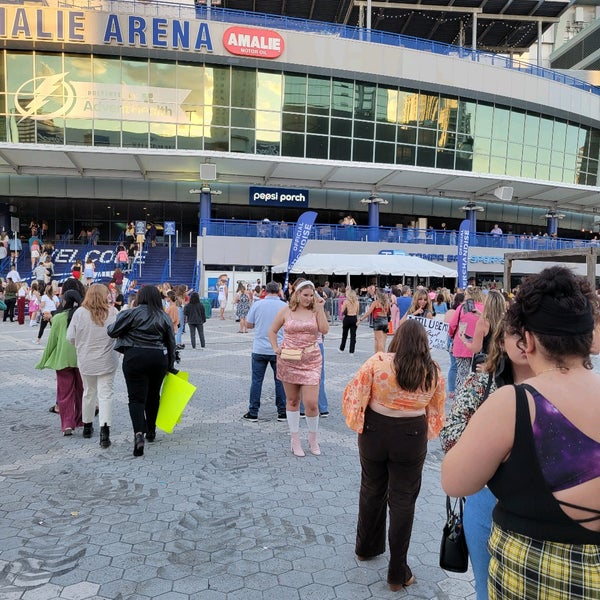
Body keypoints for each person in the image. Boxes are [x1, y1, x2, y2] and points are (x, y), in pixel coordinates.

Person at [442, 266, 600, 600]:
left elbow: (455, 481)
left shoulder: (514, 403)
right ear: (589, 336)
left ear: (526, 340)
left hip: (532, 572)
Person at [342, 319, 446, 592]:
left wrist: (359, 419)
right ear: (424, 343)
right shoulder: (432, 370)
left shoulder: (377, 362)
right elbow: (437, 408)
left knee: (371, 488)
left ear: (397, 338)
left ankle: (366, 547)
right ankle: (397, 573)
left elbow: (356, 392)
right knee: (403, 500)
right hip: (411, 435)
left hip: (375, 432)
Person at [440, 318, 534, 599]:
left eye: (528, 333)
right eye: (513, 333)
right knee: (487, 584)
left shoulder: (554, 388)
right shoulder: (483, 381)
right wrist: (494, 447)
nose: (522, 341)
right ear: (501, 341)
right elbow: (449, 433)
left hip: (537, 503)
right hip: (486, 497)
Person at [107, 285, 176, 457]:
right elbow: (171, 343)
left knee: (136, 398)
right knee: (153, 395)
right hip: (158, 358)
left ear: (140, 297)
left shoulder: (131, 313)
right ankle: (151, 430)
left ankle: (139, 434)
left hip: (134, 356)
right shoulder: (164, 316)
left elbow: (112, 331)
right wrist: (170, 364)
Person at [268, 279, 329, 457]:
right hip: (289, 359)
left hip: (311, 360)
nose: (308, 298)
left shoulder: (315, 310)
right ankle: (295, 439)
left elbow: (324, 330)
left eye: (311, 295)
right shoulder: (286, 310)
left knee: (311, 403)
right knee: (293, 401)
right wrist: (275, 348)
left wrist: (320, 309)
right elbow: (271, 330)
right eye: (305, 295)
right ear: (297, 294)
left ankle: (312, 438)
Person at [66, 283, 119, 449]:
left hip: (86, 360)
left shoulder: (80, 313)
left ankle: (87, 426)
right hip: (108, 359)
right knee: (106, 394)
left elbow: (71, 337)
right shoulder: (113, 312)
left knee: (88, 392)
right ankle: (105, 432)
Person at [35, 280, 86, 436]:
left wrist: (43, 361)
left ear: (64, 301)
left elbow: (52, 343)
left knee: (64, 394)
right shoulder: (84, 315)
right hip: (81, 359)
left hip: (62, 361)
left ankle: (67, 424)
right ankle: (80, 420)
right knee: (81, 391)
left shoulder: (58, 318)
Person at [243, 281, 286, 421]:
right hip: (278, 348)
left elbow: (248, 324)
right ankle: (282, 411)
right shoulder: (284, 306)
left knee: (256, 381)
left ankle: (253, 412)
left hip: (259, 348)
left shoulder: (257, 304)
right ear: (279, 291)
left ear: (265, 291)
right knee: (280, 381)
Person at [456, 289, 506, 371]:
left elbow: (476, 348)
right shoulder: (506, 321)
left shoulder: (483, 322)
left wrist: (464, 339)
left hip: (487, 362)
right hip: (502, 364)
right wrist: (480, 315)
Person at [448, 287, 484, 392]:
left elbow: (452, 325)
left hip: (461, 345)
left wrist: (451, 336)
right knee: (478, 375)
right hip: (480, 345)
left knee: (462, 374)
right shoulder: (485, 308)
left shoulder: (461, 308)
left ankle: (460, 396)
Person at [445, 292, 464, 399]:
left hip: (450, 338)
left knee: (453, 365)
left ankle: (452, 389)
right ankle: (453, 388)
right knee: (456, 366)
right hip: (455, 338)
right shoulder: (460, 311)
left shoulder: (450, 311)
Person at [358, 288, 390, 354]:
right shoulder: (387, 302)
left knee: (378, 340)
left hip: (378, 320)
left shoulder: (375, 303)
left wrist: (360, 320)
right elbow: (389, 313)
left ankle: (380, 355)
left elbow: (368, 313)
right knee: (383, 340)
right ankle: (379, 354)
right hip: (385, 320)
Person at [339, 288, 360, 354]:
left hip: (347, 318)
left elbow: (342, 311)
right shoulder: (357, 302)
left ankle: (342, 349)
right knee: (353, 335)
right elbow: (357, 312)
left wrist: (342, 307)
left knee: (344, 334)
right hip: (354, 317)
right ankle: (352, 351)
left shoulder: (346, 301)